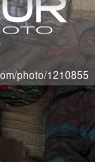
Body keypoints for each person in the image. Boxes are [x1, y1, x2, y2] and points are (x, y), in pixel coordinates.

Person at [24, 26, 95, 162]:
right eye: (85, 39)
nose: (89, 42)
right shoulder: (64, 59)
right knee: (60, 154)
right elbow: (27, 74)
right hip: (65, 109)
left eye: (94, 40)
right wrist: (61, 59)